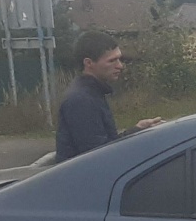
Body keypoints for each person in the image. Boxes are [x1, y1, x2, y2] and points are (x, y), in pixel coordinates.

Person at [55, 30, 161, 163]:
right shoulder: (81, 100)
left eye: (119, 59)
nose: (120, 66)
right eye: (112, 61)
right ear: (88, 63)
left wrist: (137, 130)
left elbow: (106, 145)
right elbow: (98, 156)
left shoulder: (92, 93)